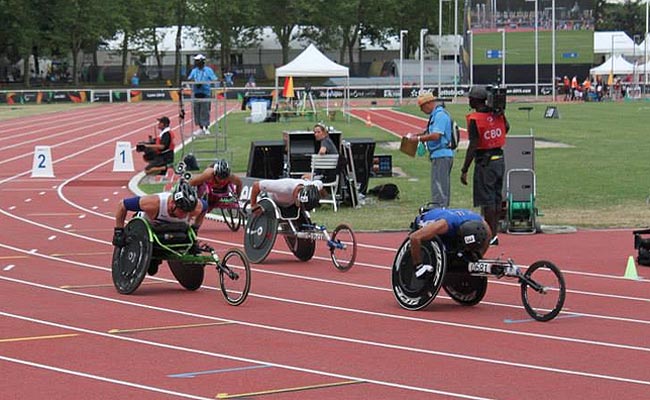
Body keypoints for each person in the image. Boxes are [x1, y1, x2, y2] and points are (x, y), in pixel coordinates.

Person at [112, 181, 207, 275]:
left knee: (187, 238)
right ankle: (153, 257)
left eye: (188, 212)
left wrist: (195, 228)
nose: (185, 215)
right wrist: (119, 231)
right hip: (148, 230)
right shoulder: (153, 203)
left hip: (173, 231)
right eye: (182, 211)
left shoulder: (196, 208)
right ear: (172, 204)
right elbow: (122, 205)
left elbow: (205, 208)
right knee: (152, 270)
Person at [459, 86, 509, 246]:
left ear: (475, 100)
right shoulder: (496, 114)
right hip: (499, 160)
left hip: (485, 163)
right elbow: (506, 128)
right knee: (495, 199)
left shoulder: (475, 119)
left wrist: (464, 169)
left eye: (470, 98)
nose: (469, 100)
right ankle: (494, 234)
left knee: (487, 201)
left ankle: (489, 234)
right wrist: (500, 114)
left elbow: (473, 145)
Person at [409, 208, 491, 278]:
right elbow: (414, 237)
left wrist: (479, 257)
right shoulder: (443, 225)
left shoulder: (484, 225)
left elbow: (488, 237)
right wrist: (418, 266)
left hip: (453, 220)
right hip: (429, 224)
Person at [406, 92, 454, 208]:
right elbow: (429, 133)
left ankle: (440, 212)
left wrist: (417, 139)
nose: (422, 110)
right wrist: (416, 135)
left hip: (442, 154)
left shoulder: (440, 115)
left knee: (440, 188)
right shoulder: (435, 115)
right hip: (438, 155)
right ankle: (440, 209)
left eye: (422, 106)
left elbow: (436, 135)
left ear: (429, 103)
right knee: (437, 186)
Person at [188, 159, 243, 229]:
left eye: (224, 178)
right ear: (215, 173)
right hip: (208, 190)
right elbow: (192, 183)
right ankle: (195, 222)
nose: (222, 180)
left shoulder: (231, 177)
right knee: (204, 205)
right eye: (220, 177)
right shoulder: (208, 174)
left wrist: (237, 196)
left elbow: (240, 184)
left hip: (222, 192)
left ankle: (196, 226)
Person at [249, 178, 322, 212]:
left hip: (290, 203)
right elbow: (256, 185)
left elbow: (320, 183)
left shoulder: (311, 186)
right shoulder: (284, 187)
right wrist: (254, 205)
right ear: (297, 196)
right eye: (300, 204)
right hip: (273, 201)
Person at [187, 54, 217, 135]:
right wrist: (194, 82)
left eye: (198, 61)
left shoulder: (208, 70)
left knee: (205, 111)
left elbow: (214, 79)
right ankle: (200, 128)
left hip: (205, 93)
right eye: (195, 61)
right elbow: (189, 79)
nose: (196, 63)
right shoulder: (194, 71)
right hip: (196, 93)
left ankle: (206, 127)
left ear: (202, 61)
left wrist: (205, 84)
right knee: (197, 111)